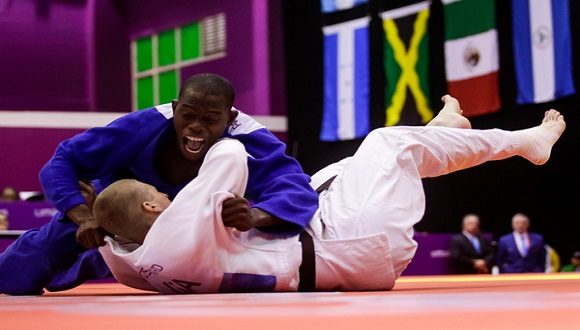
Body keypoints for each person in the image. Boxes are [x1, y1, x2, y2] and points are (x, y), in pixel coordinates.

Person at [95, 103, 565, 293]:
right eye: (160, 193)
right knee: (387, 144)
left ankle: (437, 133)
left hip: (324, 248)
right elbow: (232, 154)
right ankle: (526, 140)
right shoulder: (175, 228)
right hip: (350, 247)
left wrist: (92, 217)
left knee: (336, 172)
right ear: (152, 207)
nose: (167, 194)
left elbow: (110, 227)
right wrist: (199, 124)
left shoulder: (131, 264)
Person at [0, 73, 319, 295]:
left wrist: (255, 216)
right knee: (14, 275)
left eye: (210, 120)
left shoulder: (250, 139)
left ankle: (98, 260)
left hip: (186, 236)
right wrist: (83, 215)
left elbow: (296, 190)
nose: (196, 128)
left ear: (229, 118)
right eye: (188, 115)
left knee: (131, 264)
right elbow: (62, 161)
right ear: (176, 106)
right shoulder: (144, 124)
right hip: (114, 216)